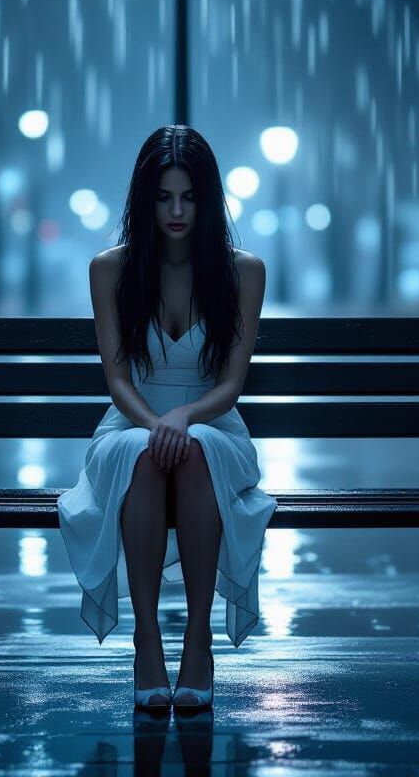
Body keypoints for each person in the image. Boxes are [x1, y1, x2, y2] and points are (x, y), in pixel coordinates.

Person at [57, 125, 276, 714]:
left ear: (208, 200)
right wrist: (158, 423)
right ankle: (147, 641)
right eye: (163, 197)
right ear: (142, 200)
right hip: (130, 422)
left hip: (215, 424)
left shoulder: (243, 272)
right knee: (144, 452)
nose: (176, 211)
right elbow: (119, 380)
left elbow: (230, 385)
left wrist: (182, 415)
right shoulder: (111, 269)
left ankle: (198, 641)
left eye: (188, 197)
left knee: (198, 443)